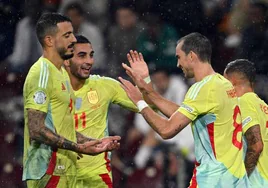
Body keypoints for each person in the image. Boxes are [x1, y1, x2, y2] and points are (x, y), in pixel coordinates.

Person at [118, 33, 250, 187]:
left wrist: (139, 102)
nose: (177, 64)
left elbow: (166, 130)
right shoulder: (222, 83)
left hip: (212, 178)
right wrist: (147, 85)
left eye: (179, 57)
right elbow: (181, 114)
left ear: (192, 56)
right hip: (233, 177)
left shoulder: (202, 89)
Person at [23, 13, 120, 188]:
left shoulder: (61, 73)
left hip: (66, 168)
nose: (73, 39)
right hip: (48, 169)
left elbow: (61, 127)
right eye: (67, 35)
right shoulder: (42, 73)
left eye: (73, 34)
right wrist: (77, 148)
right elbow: (36, 129)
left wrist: (92, 141)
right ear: (49, 41)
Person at [63, 35, 138, 188]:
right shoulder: (52, 90)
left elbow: (146, 105)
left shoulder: (104, 86)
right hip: (62, 174)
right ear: (66, 60)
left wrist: (144, 81)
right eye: (81, 55)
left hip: (97, 176)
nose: (89, 61)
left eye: (91, 55)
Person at [224, 59, 268, 187]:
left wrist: (240, 179)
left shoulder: (243, 102)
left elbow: (256, 145)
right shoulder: (263, 106)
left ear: (232, 82)